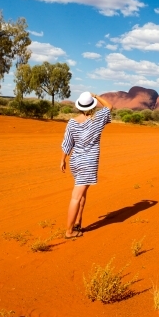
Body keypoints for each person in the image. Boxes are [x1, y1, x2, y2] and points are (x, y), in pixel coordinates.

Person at [61, 91, 112, 239]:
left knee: (82, 193)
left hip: (75, 162)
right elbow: (109, 106)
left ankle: (78, 222)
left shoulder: (72, 122)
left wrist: (62, 159)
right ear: (92, 106)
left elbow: (67, 143)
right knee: (76, 197)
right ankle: (69, 232)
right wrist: (95, 96)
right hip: (88, 163)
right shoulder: (97, 120)